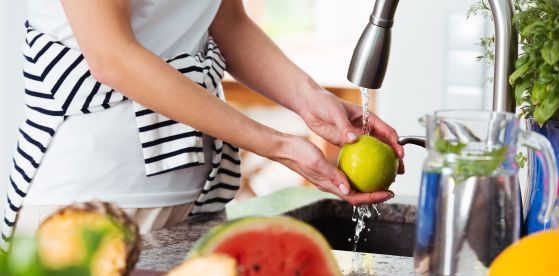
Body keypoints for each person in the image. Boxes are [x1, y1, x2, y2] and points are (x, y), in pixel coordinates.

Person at [3, 0, 404, 247]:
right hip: (91, 206)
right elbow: (113, 57)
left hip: (196, 202)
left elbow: (228, 22)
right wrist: (277, 145)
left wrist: (312, 100)